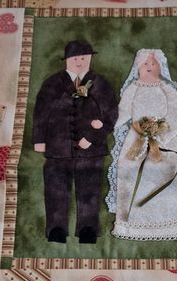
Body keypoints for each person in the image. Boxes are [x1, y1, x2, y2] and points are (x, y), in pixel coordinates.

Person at [106, 49, 177, 241]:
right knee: (129, 171)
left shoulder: (167, 89)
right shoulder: (133, 89)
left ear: (161, 67)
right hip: (136, 141)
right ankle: (129, 224)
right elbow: (123, 112)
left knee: (168, 171)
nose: (149, 67)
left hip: (165, 140)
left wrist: (163, 136)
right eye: (145, 64)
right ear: (137, 67)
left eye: (153, 63)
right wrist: (105, 125)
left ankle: (173, 219)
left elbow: (176, 115)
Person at [32, 40, 118, 243]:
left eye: (83, 58)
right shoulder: (53, 83)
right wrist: (39, 140)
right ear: (67, 60)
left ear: (90, 59)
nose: (79, 61)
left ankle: (88, 230)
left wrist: (93, 138)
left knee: (89, 190)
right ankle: (56, 230)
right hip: (57, 147)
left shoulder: (99, 83)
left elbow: (111, 115)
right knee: (56, 189)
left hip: (91, 150)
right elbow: (41, 112)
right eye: (75, 58)